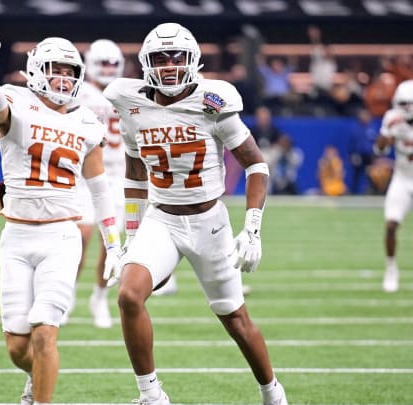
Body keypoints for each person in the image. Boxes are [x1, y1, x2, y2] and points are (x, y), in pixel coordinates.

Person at [103, 23, 288, 405]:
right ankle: (152, 396)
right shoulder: (131, 104)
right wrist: (132, 236)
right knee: (128, 296)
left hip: (210, 223)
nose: (169, 66)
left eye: (177, 57)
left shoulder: (213, 102)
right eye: (159, 58)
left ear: (192, 61)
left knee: (234, 319)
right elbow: (136, 176)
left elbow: (256, 165)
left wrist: (252, 228)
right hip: (162, 219)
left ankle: (272, 392)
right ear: (146, 63)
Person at [0, 21, 122, 405]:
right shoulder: (17, 103)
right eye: (55, 69)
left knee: (44, 333)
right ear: (37, 70)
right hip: (17, 236)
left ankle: (41, 399)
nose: (62, 78)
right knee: (17, 348)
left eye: (69, 71)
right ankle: (38, 377)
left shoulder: (86, 120)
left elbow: (100, 187)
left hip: (61, 235)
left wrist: (113, 241)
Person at [66, 38, 127, 328]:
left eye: (112, 63)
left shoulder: (125, 92)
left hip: (117, 175)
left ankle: (100, 298)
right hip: (83, 175)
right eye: (102, 63)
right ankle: (68, 296)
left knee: (111, 244)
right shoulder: (78, 93)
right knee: (80, 238)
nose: (107, 69)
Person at [374, 79, 413, 293]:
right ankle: (391, 268)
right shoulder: (392, 118)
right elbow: (379, 149)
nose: (403, 108)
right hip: (403, 177)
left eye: (406, 104)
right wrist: (388, 133)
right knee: (390, 225)